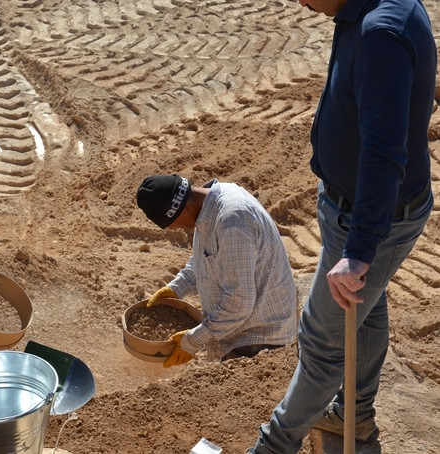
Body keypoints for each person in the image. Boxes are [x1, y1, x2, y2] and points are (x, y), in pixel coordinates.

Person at [248, 0, 436, 452]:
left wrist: (361, 248)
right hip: (361, 210)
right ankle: (354, 415)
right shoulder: (369, 11)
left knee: (321, 340)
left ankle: (273, 446)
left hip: (372, 218)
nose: (299, 2)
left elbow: (383, 153)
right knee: (365, 312)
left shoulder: (380, 34)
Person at [136, 174, 297, 368]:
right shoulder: (207, 207)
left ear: (181, 210)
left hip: (260, 340)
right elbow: (206, 259)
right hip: (242, 332)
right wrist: (176, 288)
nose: (172, 228)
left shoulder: (232, 221)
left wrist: (193, 340)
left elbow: (238, 303)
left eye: (170, 223)